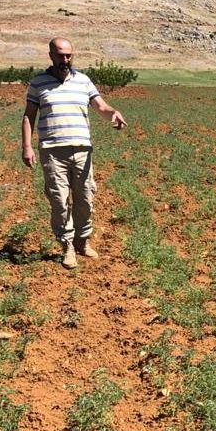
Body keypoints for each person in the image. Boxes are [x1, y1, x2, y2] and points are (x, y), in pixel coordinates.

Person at [20, 37, 127, 269]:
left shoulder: (83, 81)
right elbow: (29, 116)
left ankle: (82, 240)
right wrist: (27, 146)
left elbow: (100, 106)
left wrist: (113, 113)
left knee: (85, 198)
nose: (65, 60)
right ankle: (67, 245)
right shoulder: (38, 83)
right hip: (52, 151)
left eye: (69, 55)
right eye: (61, 55)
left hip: (82, 150)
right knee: (59, 200)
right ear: (51, 55)